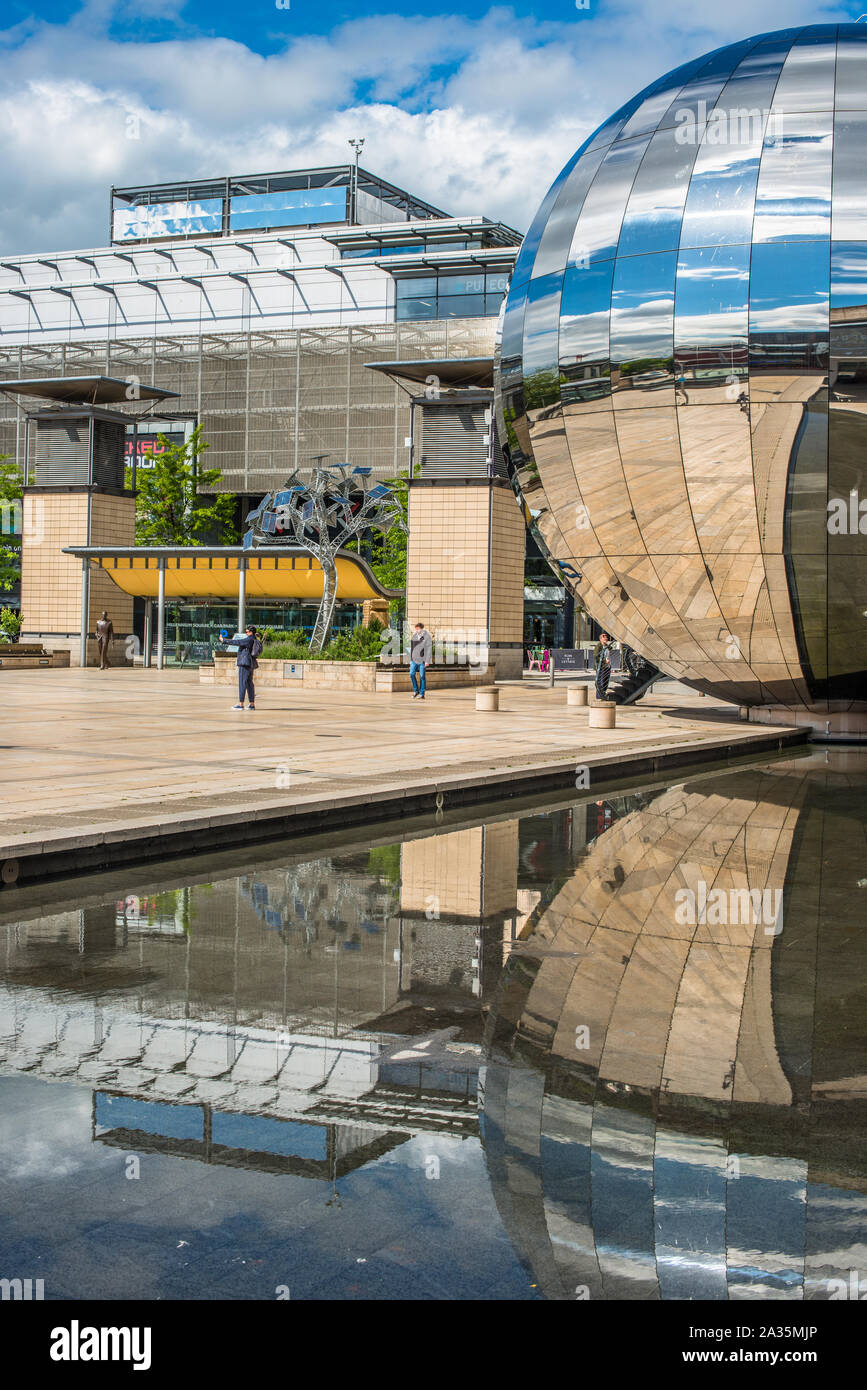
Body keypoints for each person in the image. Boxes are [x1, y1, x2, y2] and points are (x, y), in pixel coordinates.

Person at [220, 624, 262, 709]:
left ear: (251, 632)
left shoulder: (249, 639)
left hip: (244, 663)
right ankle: (251, 704)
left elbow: (237, 642)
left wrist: (224, 640)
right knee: (249, 684)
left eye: (247, 632)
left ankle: (240, 704)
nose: (246, 633)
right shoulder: (254, 639)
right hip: (250, 664)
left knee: (242, 683)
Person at [409, 621, 432, 700]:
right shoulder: (414, 636)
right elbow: (412, 648)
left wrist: (427, 661)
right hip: (414, 660)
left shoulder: (427, 637)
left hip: (422, 660)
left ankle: (422, 693)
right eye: (416, 629)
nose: (417, 630)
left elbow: (429, 649)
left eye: (418, 629)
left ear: (421, 629)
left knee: (422, 676)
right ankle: (416, 691)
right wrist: (411, 659)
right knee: (411, 674)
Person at [593, 632, 614, 701]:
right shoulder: (598, 646)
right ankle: (599, 696)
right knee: (600, 681)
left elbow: (610, 650)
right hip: (601, 667)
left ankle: (603, 693)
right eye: (604, 638)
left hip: (607, 666)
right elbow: (596, 656)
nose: (606, 639)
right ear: (600, 639)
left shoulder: (607, 646)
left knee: (605, 681)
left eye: (606, 638)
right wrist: (605, 661)